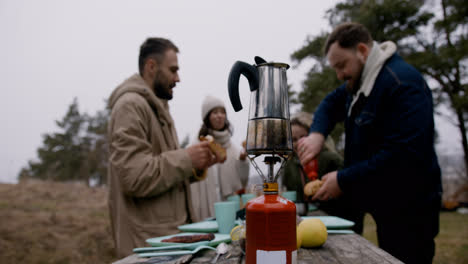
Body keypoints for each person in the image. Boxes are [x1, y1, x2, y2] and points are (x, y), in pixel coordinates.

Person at [297, 22, 442, 264]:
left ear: (362, 51)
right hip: (384, 200)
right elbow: (331, 103)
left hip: (411, 205)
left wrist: (343, 179)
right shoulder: (362, 82)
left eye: (342, 65)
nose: (340, 75)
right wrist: (316, 134)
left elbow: (403, 156)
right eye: (335, 68)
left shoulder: (401, 84)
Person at [107, 37, 221, 257]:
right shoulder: (130, 107)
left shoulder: (158, 108)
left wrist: (196, 165)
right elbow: (134, 178)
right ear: (151, 66)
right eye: (173, 70)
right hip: (148, 247)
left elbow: (163, 172)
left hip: (166, 242)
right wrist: (187, 159)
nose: (178, 78)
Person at [190, 95, 250, 222]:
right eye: (215, 112)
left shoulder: (232, 148)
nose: (220, 116)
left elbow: (243, 182)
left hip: (227, 209)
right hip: (204, 208)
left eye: (222, 112)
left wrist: (243, 160)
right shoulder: (197, 144)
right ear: (207, 117)